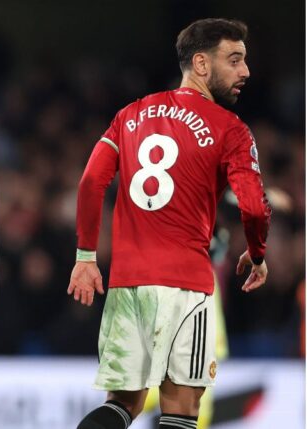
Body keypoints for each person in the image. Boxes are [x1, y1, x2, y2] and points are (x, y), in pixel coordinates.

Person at [67, 18, 271, 429]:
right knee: (181, 410)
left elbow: (91, 181)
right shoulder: (230, 129)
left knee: (122, 405)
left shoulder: (129, 115)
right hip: (187, 285)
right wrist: (257, 251)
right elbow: (253, 205)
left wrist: (86, 256)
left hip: (128, 284)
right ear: (200, 63)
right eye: (234, 60)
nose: (245, 72)